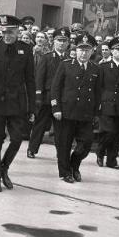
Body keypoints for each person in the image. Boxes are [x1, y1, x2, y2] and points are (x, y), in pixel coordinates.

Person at [0, 14, 35, 192]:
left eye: (10, 32)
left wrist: (32, 106)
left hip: (17, 101)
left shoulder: (25, 49)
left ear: (18, 31)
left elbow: (30, 80)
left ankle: (4, 168)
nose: (7, 35)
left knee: (17, 138)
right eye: (4, 32)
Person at [51, 34, 101, 182]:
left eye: (87, 50)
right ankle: (65, 172)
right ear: (76, 50)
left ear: (92, 51)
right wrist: (56, 108)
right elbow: (55, 88)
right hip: (66, 112)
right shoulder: (66, 65)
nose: (84, 53)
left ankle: (74, 165)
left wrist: (96, 113)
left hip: (86, 113)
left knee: (86, 144)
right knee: (64, 145)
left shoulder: (95, 69)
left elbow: (98, 92)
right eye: (81, 50)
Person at [28, 28, 70, 159]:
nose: (61, 43)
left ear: (68, 43)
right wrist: (38, 96)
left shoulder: (70, 59)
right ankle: (32, 149)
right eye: (59, 40)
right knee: (39, 125)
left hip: (62, 99)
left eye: (64, 41)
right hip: (46, 97)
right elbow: (39, 78)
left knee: (60, 129)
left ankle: (61, 152)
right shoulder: (47, 57)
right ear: (54, 42)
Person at [97, 37, 119, 169]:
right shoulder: (103, 67)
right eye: (117, 49)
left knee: (117, 135)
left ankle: (112, 160)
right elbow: (98, 87)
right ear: (112, 51)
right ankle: (100, 152)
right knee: (108, 132)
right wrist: (98, 103)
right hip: (106, 104)